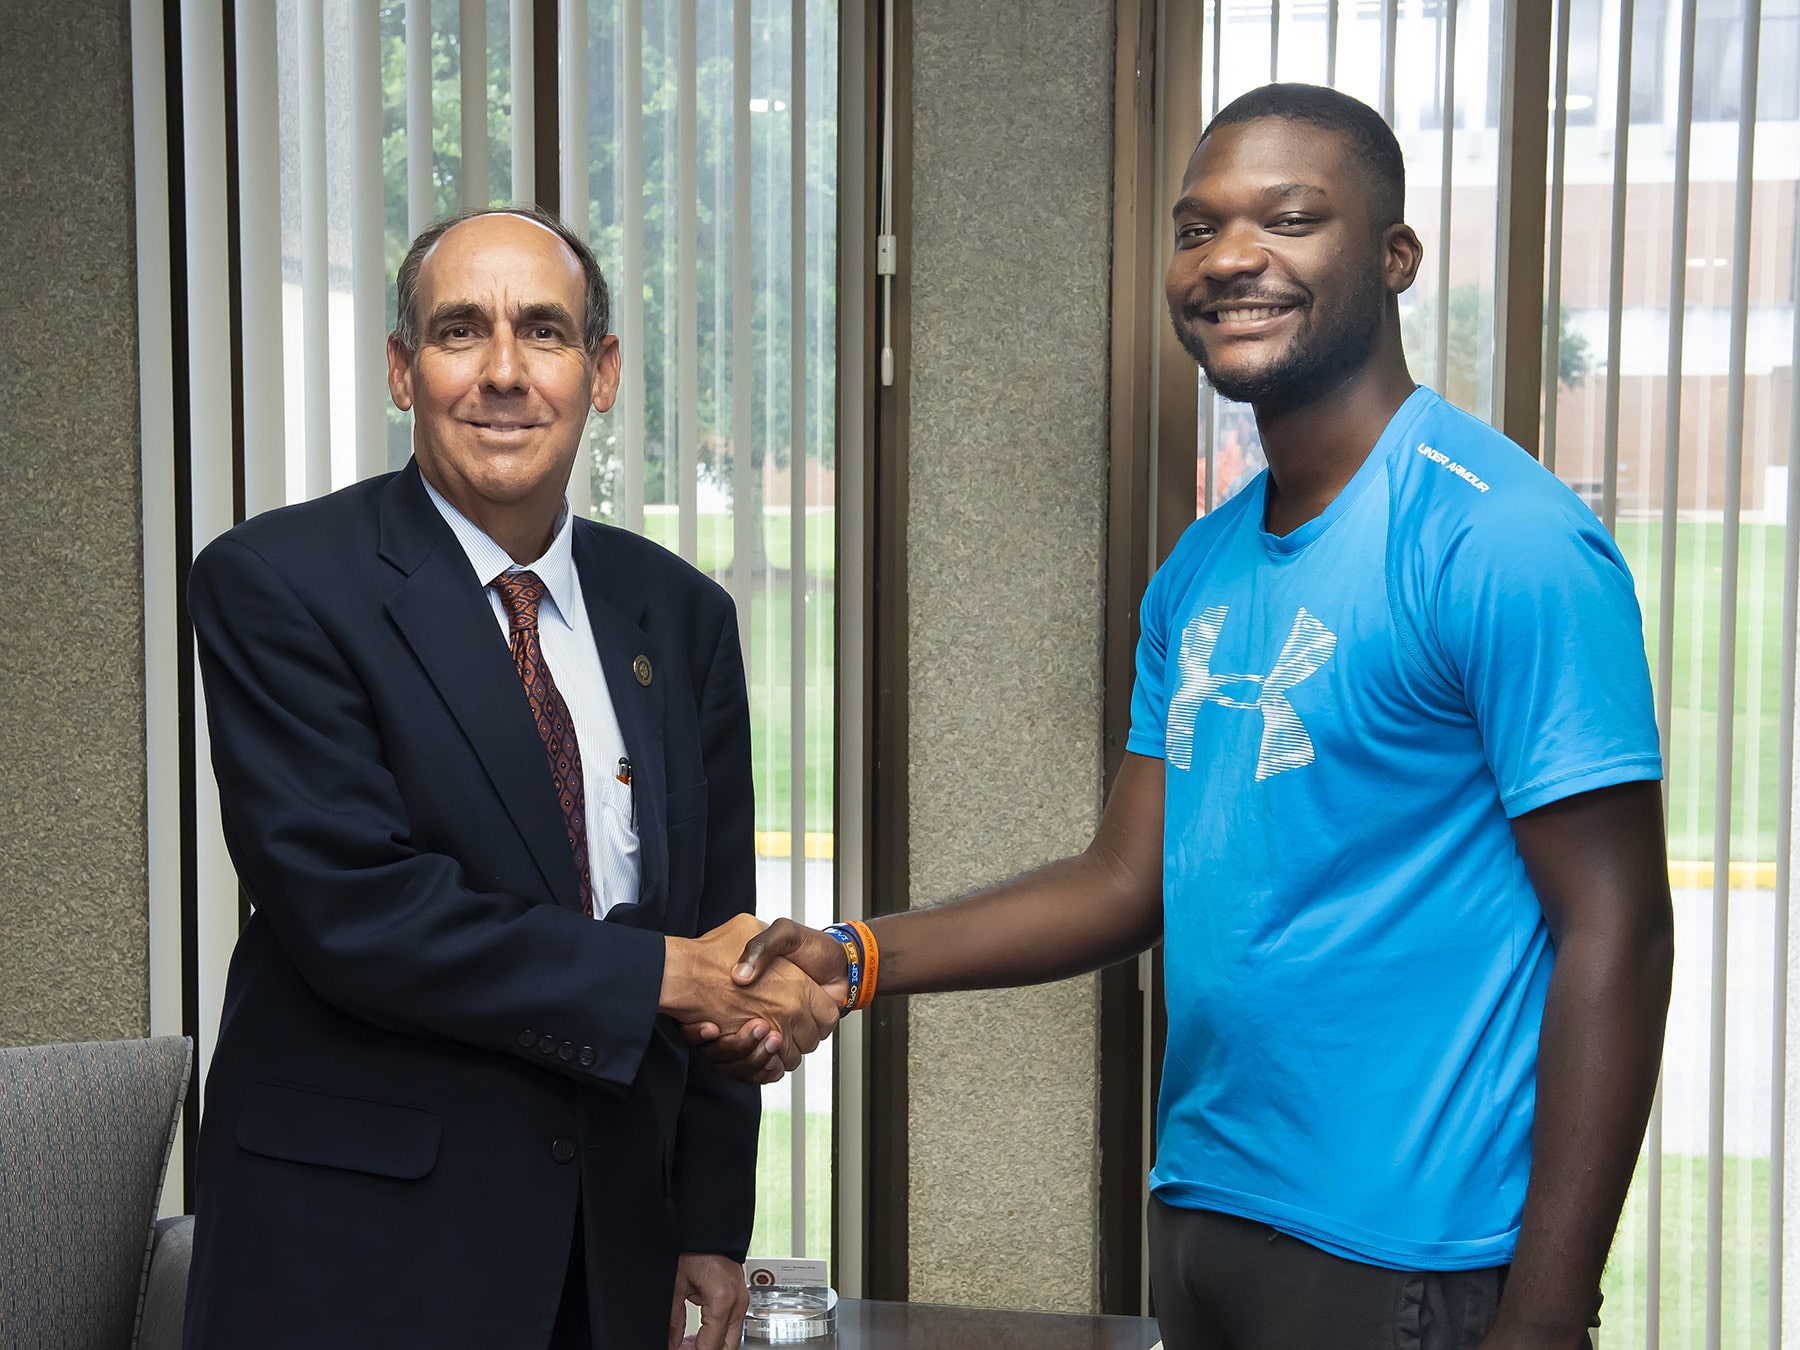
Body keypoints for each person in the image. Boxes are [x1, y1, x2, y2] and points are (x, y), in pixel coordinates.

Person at [702, 85, 1675, 1350]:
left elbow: (1621, 931)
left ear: (1395, 258)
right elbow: (1126, 879)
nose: (1228, 259)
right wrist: (857, 953)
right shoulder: (1202, 570)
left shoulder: (1502, 536)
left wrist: (1550, 1312)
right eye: (1196, 227)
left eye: (1290, 218)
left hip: (1415, 1259)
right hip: (1208, 1220)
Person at [182, 205, 838, 1350]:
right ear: (401, 369)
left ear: (602, 372)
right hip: (357, 1256)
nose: (502, 373)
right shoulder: (276, 585)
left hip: (610, 1255)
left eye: (543, 332)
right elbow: (359, 912)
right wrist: (669, 981)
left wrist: (712, 1216)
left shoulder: (679, 616)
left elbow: (713, 931)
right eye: (457, 333)